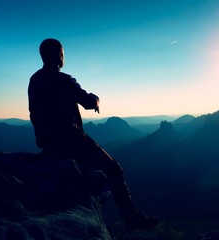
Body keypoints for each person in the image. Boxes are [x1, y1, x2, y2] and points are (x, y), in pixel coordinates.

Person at [28, 38, 159, 230]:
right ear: (59, 55)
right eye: (62, 53)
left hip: (46, 142)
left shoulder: (35, 80)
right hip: (70, 140)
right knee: (114, 169)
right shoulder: (63, 80)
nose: (63, 57)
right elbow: (88, 102)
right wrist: (96, 99)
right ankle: (131, 217)